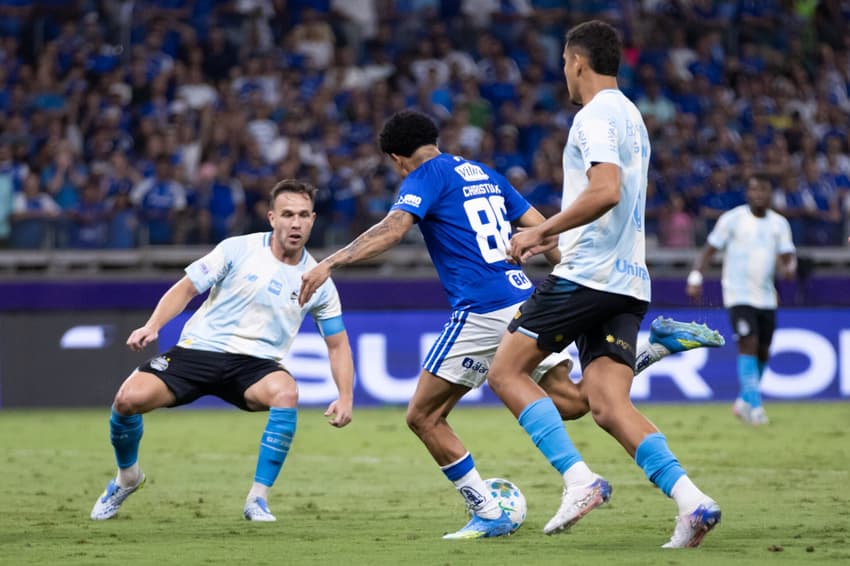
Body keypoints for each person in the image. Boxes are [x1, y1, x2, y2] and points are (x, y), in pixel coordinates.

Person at [298, 108, 723, 539]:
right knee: (576, 402)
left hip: (480, 310)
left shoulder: (423, 175)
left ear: (396, 157)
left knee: (423, 416)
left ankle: (489, 508)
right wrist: (566, 285)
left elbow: (392, 230)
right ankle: (654, 349)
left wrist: (329, 263)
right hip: (523, 299)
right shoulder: (483, 173)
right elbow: (544, 231)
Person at [487, 20, 721, 548]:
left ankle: (579, 480)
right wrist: (558, 238)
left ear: (576, 61)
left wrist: (540, 231)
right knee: (607, 406)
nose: (563, 77)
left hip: (588, 277)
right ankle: (693, 502)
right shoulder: (632, 116)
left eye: (564, 67)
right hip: (628, 279)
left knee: (504, 372)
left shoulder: (593, 116)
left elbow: (606, 191)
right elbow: (608, 202)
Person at [90, 179, 354, 522]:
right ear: (272, 218)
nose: (296, 223)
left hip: (255, 367)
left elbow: (338, 344)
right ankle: (128, 478)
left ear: (313, 220)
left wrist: (345, 396)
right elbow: (185, 289)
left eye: (303, 215)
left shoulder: (318, 280)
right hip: (198, 351)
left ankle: (257, 500)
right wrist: (153, 325)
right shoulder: (237, 249)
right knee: (127, 400)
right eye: (288, 214)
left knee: (286, 393)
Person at [687, 176, 796, 425]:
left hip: (767, 296)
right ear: (747, 193)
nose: (758, 194)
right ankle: (756, 408)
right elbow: (709, 250)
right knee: (748, 343)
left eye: (763, 189)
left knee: (763, 351)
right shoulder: (732, 219)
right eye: (753, 189)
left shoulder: (780, 224)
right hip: (738, 294)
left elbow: (788, 254)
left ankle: (744, 400)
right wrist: (695, 277)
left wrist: (790, 267)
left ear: (771, 193)